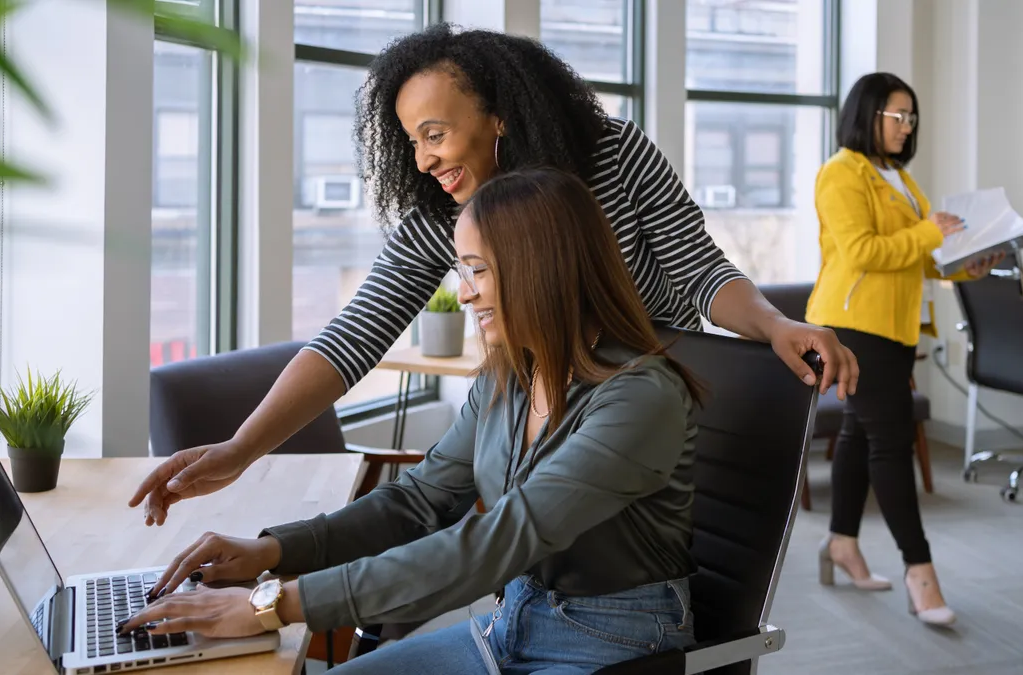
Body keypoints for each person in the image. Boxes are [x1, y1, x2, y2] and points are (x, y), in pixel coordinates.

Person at [129, 22, 858, 527]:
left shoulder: (616, 154)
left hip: (647, 401)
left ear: (502, 115)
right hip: (543, 413)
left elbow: (700, 269)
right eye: (411, 141)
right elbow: (354, 334)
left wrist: (775, 323)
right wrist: (240, 448)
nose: (422, 160)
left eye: (436, 134)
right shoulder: (442, 211)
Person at [120, 168, 705, 674]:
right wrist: (272, 552)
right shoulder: (508, 379)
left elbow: (494, 544)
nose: (464, 292)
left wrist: (269, 604)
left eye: (477, 271)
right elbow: (417, 503)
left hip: (616, 647)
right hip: (511, 626)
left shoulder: (639, 399)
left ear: (540, 269)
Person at [805, 72, 1003, 627]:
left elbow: (915, 256)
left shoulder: (898, 177)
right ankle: (922, 574)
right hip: (850, 326)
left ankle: (842, 544)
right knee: (890, 446)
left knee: (858, 433)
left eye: (911, 116)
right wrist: (932, 234)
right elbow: (863, 251)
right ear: (868, 115)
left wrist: (968, 263)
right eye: (897, 115)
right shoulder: (840, 173)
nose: (906, 125)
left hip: (896, 331)